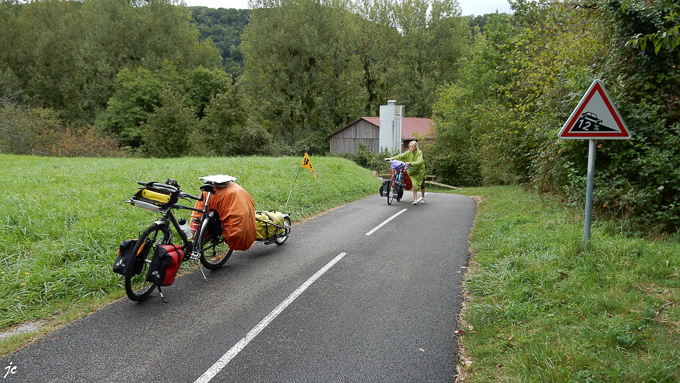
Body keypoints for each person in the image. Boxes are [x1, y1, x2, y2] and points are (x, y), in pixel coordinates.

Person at [190, 180, 257, 251]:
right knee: (200, 216)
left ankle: (200, 239)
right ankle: (199, 238)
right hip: (222, 196)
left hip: (227, 196)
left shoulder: (232, 192)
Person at [385, 140, 426, 205]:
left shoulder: (419, 152)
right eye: (410, 147)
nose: (411, 148)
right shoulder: (408, 152)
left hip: (419, 171)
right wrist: (390, 159)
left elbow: (420, 161)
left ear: (415, 147)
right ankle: (415, 200)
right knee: (414, 185)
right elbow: (400, 156)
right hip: (412, 171)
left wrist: (411, 163)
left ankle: (423, 197)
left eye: (412, 147)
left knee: (422, 185)